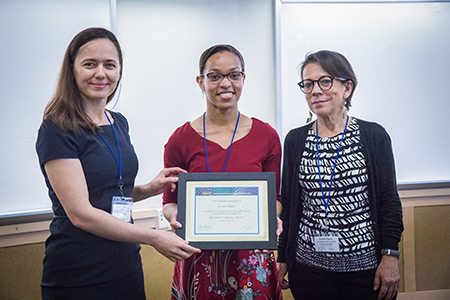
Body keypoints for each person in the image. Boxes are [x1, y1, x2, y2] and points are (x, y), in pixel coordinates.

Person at [35, 27, 200, 300]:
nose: (101, 73)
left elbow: (110, 193)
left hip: (125, 265)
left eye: (109, 65)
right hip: (79, 272)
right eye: (90, 64)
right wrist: (154, 237)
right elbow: (81, 213)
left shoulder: (118, 122)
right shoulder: (58, 128)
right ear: (72, 70)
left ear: (119, 71)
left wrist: (149, 188)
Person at [276, 50, 404, 300]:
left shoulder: (373, 136)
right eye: (308, 84)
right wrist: (282, 258)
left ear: (347, 88)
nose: (315, 90)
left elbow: (389, 201)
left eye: (325, 81)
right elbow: (290, 206)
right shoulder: (295, 140)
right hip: (309, 269)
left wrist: (390, 256)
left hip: (365, 270)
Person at [162, 44, 283, 300]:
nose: (225, 83)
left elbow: (275, 200)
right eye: (215, 76)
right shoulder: (180, 140)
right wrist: (177, 219)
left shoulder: (267, 136)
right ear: (200, 81)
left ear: (243, 78)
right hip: (198, 258)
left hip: (252, 258)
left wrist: (270, 219)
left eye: (234, 75)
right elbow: (169, 203)